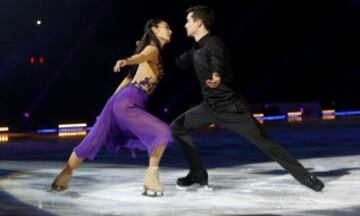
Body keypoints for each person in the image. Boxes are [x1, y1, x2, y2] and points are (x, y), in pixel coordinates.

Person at [171, 5, 324, 192]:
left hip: (231, 109)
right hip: (209, 107)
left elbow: (218, 61)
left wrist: (217, 74)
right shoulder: (196, 49)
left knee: (267, 143)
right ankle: (198, 173)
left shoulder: (214, 44)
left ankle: (305, 177)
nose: (185, 25)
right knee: (177, 127)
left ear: (199, 23)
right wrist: (153, 50)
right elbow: (179, 63)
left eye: (188, 21)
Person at [51, 18, 173, 197]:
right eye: (166, 27)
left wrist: (109, 106)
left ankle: (64, 176)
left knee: (92, 140)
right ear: (154, 30)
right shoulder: (152, 49)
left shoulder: (153, 53)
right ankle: (151, 178)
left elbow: (128, 79)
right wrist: (127, 60)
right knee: (163, 132)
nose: (170, 30)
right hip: (128, 102)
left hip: (121, 101)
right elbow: (141, 56)